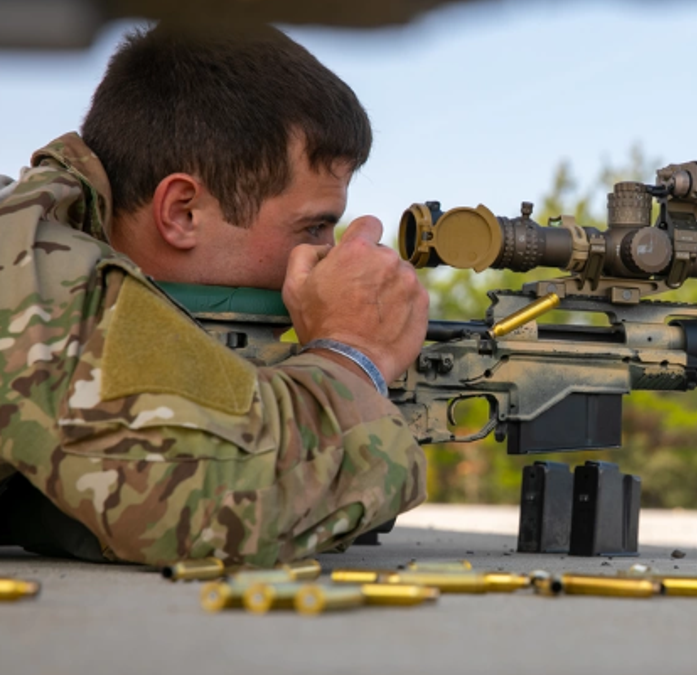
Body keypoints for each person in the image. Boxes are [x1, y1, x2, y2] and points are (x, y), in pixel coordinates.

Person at [0, 22, 429, 566]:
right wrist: (352, 352)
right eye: (313, 228)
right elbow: (225, 505)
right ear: (183, 212)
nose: (329, 257)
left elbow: (105, 483)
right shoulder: (32, 268)